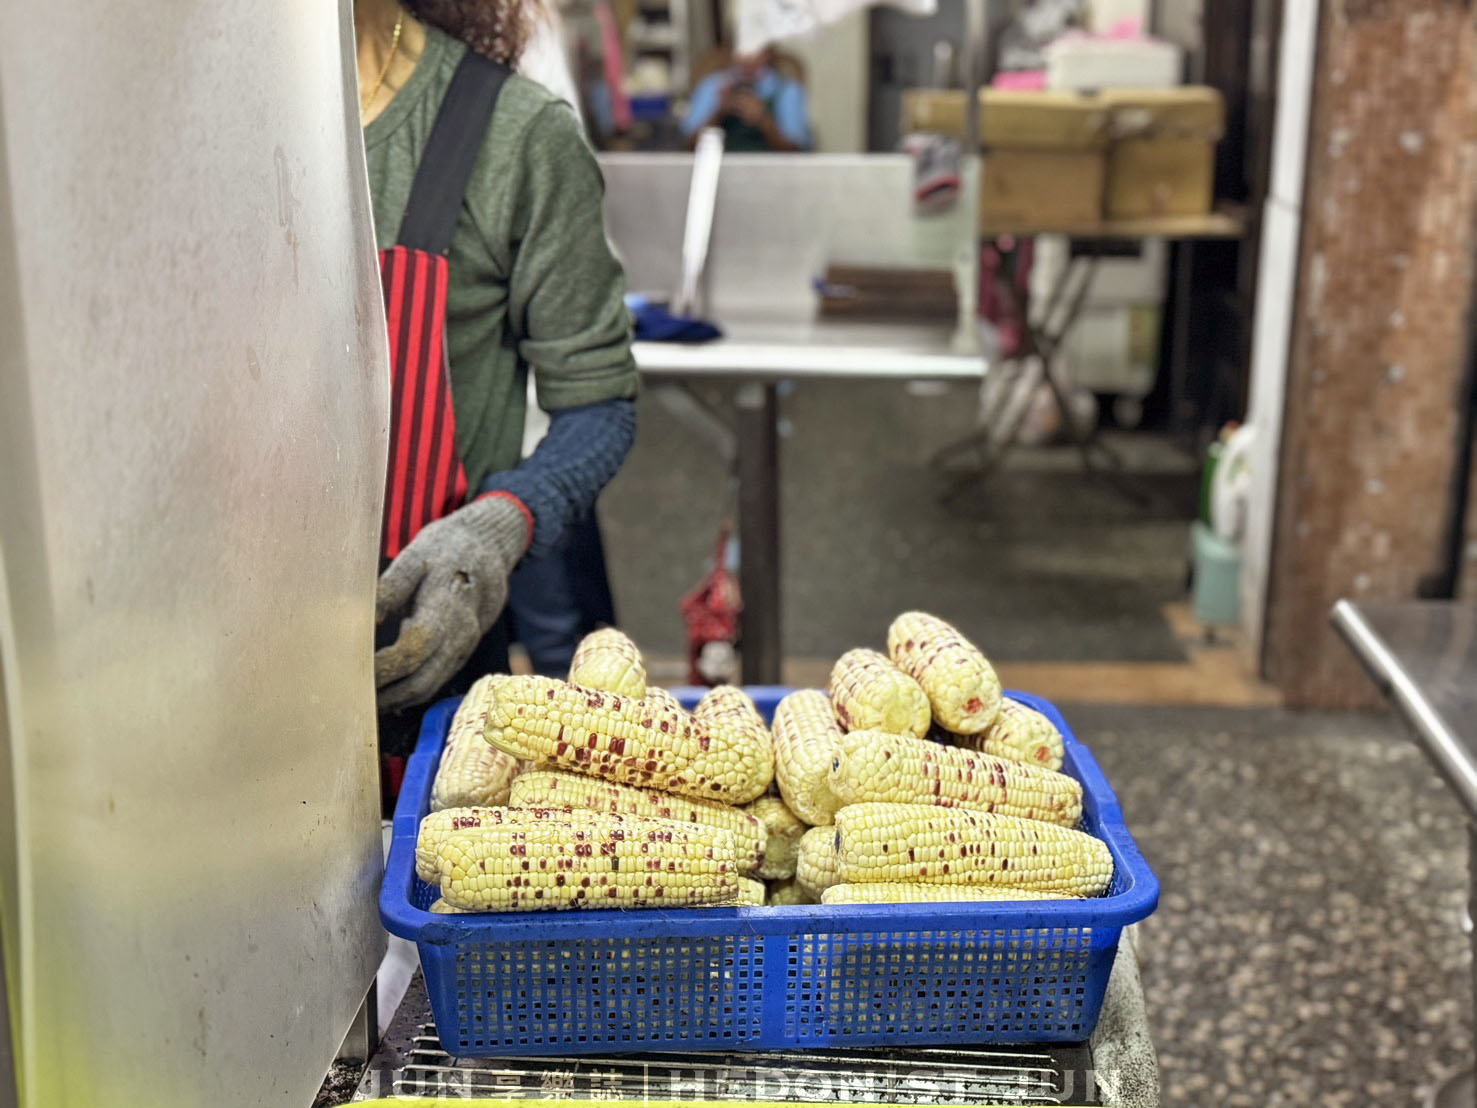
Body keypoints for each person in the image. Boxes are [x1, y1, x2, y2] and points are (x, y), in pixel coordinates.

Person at [356, 0, 638, 756]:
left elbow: (599, 404)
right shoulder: (199, 136)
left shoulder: (510, 136)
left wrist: (494, 530)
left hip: (425, 664)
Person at [680, 44, 813, 152]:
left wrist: (763, 121)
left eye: (754, 49)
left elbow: (797, 150)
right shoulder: (713, 86)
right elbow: (688, 145)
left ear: (768, 53)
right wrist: (719, 112)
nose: (746, 56)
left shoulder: (786, 90)